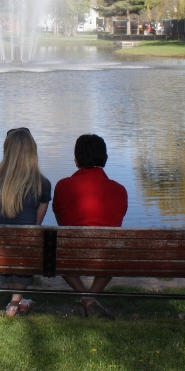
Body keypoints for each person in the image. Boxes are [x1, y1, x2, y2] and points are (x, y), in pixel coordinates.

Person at [53, 134, 128, 320]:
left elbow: (61, 221)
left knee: (55, 251)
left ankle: (85, 298)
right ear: (106, 158)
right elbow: (116, 223)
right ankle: (92, 298)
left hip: (72, 252)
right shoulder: (120, 190)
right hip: (107, 257)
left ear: (76, 160)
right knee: (113, 250)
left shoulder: (63, 186)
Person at [0, 128, 51, 317]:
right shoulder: (42, 183)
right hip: (23, 250)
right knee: (27, 241)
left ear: (6, 149)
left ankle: (16, 300)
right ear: (32, 151)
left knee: (14, 241)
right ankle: (14, 304)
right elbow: (35, 224)